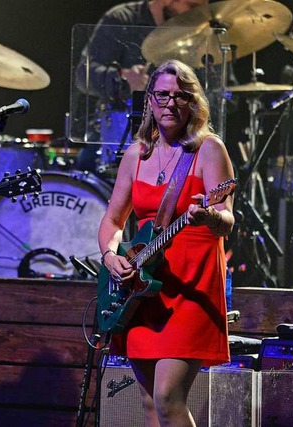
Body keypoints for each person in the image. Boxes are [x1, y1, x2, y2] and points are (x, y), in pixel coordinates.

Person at [98, 59, 234, 426]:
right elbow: (112, 221)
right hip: (144, 288)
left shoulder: (209, 150)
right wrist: (110, 255)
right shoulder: (136, 155)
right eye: (162, 95)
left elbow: (227, 220)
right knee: (149, 405)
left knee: (167, 397)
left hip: (191, 286)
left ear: (192, 103)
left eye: (180, 96)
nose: (170, 103)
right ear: (150, 102)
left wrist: (207, 216)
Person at [74, 0, 222, 173]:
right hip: (122, 136)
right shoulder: (122, 19)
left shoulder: (201, 30)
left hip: (183, 139)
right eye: (192, 6)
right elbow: (84, 75)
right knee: (85, 168)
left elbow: (220, 88)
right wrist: (122, 78)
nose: (199, 15)